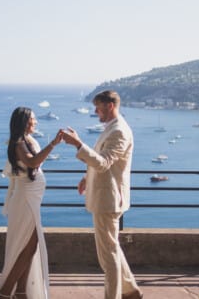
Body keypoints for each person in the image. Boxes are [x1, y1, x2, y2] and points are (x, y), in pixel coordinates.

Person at [59, 90, 143, 299]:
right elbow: (102, 161)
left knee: (108, 255)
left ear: (110, 106)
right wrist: (87, 179)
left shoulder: (119, 131)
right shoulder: (112, 128)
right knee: (111, 249)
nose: (95, 111)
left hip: (109, 200)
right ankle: (131, 291)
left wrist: (78, 144)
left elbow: (104, 163)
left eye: (98, 107)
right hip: (106, 197)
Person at [0, 107, 62, 299]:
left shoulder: (26, 141)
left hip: (30, 200)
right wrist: (53, 144)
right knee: (28, 246)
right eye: (33, 119)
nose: (36, 122)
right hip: (25, 201)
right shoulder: (18, 144)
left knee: (30, 247)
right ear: (25, 122)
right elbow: (33, 163)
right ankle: (6, 292)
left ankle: (21, 292)